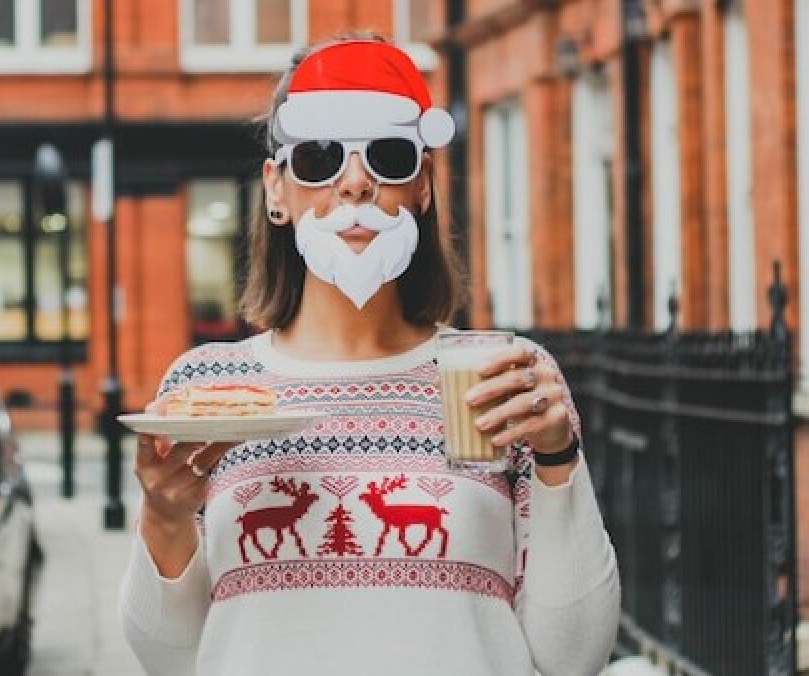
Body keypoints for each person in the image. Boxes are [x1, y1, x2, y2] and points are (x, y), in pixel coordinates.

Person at [120, 35, 620, 676]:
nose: (355, 183)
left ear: (424, 187)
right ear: (277, 190)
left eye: (387, 157)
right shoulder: (211, 388)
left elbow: (573, 656)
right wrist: (164, 515)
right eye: (320, 160)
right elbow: (169, 658)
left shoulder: (504, 380)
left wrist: (557, 457)